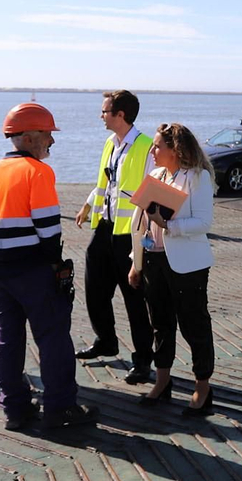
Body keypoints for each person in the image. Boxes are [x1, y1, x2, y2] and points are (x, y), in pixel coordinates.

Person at [0, 102, 96, 432]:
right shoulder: (38, 172)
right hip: (33, 269)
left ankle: (15, 409)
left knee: (7, 341)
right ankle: (60, 408)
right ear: (27, 137)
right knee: (53, 338)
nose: (51, 142)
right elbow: (49, 228)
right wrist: (55, 263)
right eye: (47, 135)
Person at [128, 123, 217, 417]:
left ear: (175, 150)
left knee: (194, 325)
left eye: (157, 147)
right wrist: (135, 261)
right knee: (160, 324)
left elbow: (203, 223)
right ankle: (162, 382)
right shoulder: (155, 175)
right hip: (153, 259)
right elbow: (140, 222)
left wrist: (168, 224)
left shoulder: (197, 177)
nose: (152, 151)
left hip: (187, 264)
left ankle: (202, 387)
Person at [73, 90, 156, 383]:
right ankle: (106, 340)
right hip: (105, 227)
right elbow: (106, 184)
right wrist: (87, 203)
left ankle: (144, 360)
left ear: (121, 115)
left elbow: (152, 194)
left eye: (105, 111)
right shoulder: (111, 143)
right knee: (94, 288)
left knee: (134, 298)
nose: (101, 116)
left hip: (129, 235)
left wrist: (146, 240)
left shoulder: (147, 147)